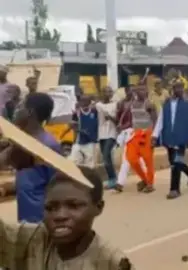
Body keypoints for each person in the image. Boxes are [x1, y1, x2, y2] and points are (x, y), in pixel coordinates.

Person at [0, 166, 133, 269]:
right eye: (51, 208)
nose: (60, 216)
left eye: (74, 206)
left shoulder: (111, 262)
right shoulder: (33, 240)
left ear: (98, 207)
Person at [0, 92, 61, 223]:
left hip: (41, 221)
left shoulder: (44, 145)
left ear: (29, 112)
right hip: (28, 219)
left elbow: (56, 186)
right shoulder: (25, 142)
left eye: (20, 106)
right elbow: (34, 181)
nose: (16, 110)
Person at [152, 82, 188, 199]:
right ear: (172, 89)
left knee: (176, 163)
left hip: (182, 138)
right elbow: (160, 121)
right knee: (174, 162)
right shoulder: (166, 105)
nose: (179, 90)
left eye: (181, 88)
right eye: (177, 88)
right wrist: (154, 136)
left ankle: (174, 189)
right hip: (169, 138)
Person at [126, 85, 157, 193]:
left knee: (148, 161)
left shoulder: (149, 104)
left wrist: (154, 136)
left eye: (144, 89)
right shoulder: (132, 104)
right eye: (140, 89)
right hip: (135, 134)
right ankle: (145, 179)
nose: (142, 92)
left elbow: (155, 120)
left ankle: (150, 184)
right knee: (131, 158)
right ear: (136, 91)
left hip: (147, 134)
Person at [65, 94, 99, 168]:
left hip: (91, 141)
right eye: (82, 100)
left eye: (85, 101)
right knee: (73, 161)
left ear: (89, 102)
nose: (83, 102)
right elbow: (72, 125)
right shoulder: (77, 113)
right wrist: (80, 130)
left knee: (90, 165)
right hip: (79, 141)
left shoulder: (95, 111)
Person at [95, 86, 118, 189]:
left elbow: (117, 120)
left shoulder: (115, 105)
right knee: (106, 158)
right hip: (101, 134)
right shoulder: (98, 105)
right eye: (106, 92)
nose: (108, 94)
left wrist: (110, 117)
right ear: (102, 93)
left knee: (106, 156)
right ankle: (112, 178)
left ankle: (113, 178)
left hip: (112, 134)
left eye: (110, 92)